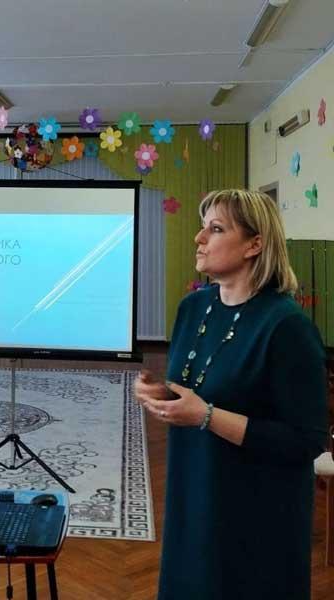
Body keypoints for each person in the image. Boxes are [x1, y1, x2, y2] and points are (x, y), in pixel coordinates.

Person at [134, 189, 328, 600]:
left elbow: (306, 440)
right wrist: (163, 394)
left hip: (256, 518)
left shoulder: (287, 327)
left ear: (254, 245)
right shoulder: (193, 307)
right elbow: (206, 386)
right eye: (203, 226)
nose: (199, 238)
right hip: (193, 499)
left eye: (216, 229)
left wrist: (205, 416)